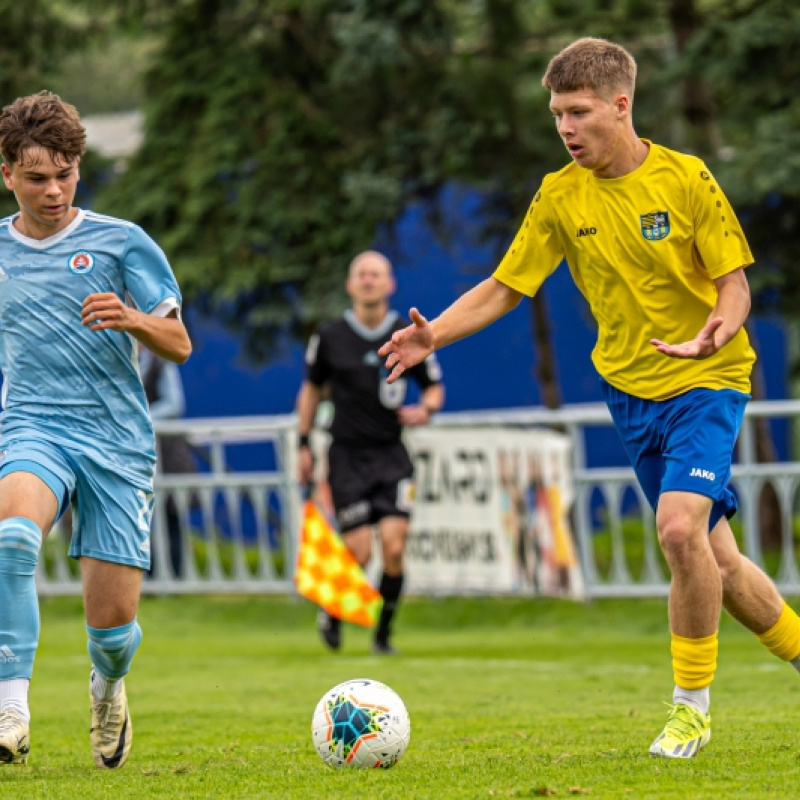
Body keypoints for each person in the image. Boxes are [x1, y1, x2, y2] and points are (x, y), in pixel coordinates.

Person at [379, 37, 800, 758]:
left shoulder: (687, 178)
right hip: (630, 393)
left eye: (578, 112)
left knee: (677, 531)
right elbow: (506, 287)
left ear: (620, 105)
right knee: (718, 565)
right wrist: (434, 337)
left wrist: (718, 329)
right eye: (556, 115)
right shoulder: (558, 195)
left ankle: (689, 710)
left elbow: (734, 282)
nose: (566, 128)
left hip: (707, 378)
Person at [0, 91, 191, 768]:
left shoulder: (122, 242)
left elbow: (179, 343)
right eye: (37, 177)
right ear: (8, 176)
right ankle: (11, 706)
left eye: (66, 174)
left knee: (111, 630)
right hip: (32, 427)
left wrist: (135, 319)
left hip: (114, 441)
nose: (54, 190)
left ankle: (107, 685)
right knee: (14, 537)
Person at [297, 250, 444, 655]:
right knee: (359, 552)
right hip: (345, 455)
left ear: (390, 283)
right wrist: (303, 443)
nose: (367, 280)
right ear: (349, 284)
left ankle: (383, 634)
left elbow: (433, 385)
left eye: (375, 274)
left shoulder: (405, 331)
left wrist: (426, 408)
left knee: (395, 547)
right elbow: (310, 390)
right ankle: (333, 610)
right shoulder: (329, 337)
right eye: (360, 274)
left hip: (392, 454)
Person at [140, 345, 196, 578]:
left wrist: (136, 418)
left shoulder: (159, 361)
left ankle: (175, 574)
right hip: (138, 453)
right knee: (141, 518)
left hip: (167, 453)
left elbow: (174, 404)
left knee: (170, 515)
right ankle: (149, 578)